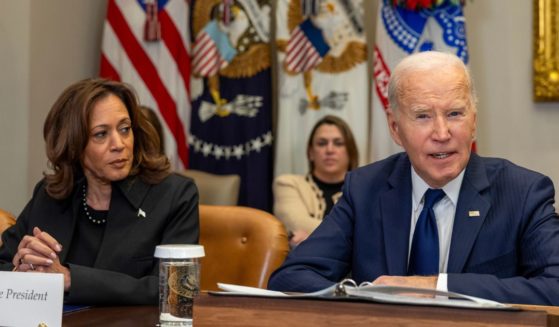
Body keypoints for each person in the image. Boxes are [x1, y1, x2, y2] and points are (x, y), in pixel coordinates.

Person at [268, 51, 559, 305]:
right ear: (395, 128)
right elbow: (292, 277)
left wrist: (437, 288)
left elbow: (555, 286)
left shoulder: (522, 192)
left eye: (455, 113)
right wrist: (369, 299)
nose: (442, 133)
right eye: (423, 116)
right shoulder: (366, 189)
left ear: (473, 123)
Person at [0, 78, 199, 305]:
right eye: (101, 134)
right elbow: (3, 266)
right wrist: (21, 271)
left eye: (125, 129)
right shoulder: (51, 195)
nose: (119, 144)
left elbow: (176, 290)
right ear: (74, 144)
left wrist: (68, 278)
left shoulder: (175, 195)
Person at [273, 115, 359, 248]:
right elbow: (297, 223)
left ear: (350, 151)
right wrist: (353, 236)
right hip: (305, 266)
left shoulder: (366, 188)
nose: (330, 150)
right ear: (310, 152)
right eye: (322, 143)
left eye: (338, 143)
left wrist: (312, 237)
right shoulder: (287, 184)